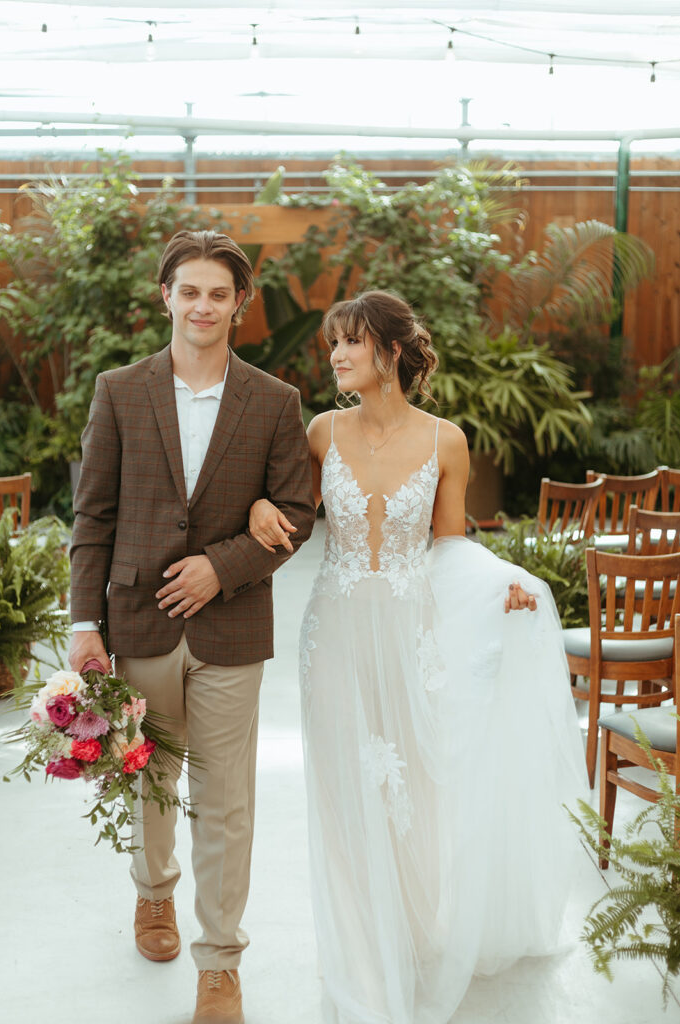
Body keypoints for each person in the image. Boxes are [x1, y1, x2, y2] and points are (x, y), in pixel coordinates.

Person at [249, 290, 588, 1024]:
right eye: (332, 344)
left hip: (413, 632)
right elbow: (290, 514)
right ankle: (360, 956)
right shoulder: (319, 432)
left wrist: (509, 583)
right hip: (333, 632)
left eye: (349, 342)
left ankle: (405, 929)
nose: (334, 355)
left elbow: (448, 543)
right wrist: (256, 509)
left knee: (412, 786)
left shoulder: (446, 442)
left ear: (391, 351)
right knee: (343, 792)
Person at [68, 229, 316, 1024]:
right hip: (136, 622)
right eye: (190, 290)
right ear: (164, 297)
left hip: (232, 630)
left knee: (227, 799)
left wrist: (224, 565)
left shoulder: (275, 402)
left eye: (219, 293)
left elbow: (298, 514)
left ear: (239, 305)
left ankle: (220, 961)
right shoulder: (118, 391)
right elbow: (93, 515)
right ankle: (152, 895)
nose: (202, 305)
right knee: (150, 779)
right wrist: (83, 623)